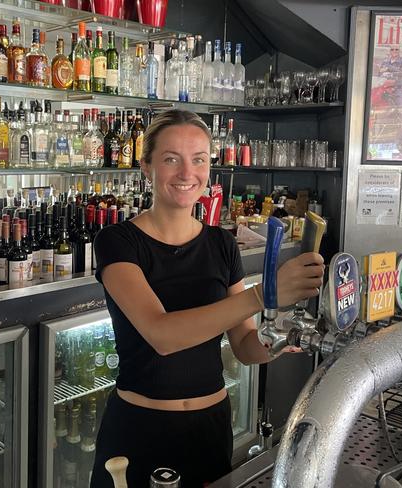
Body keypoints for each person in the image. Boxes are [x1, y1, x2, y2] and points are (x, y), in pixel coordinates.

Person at [90, 110, 325, 487]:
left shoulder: (221, 243)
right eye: (171, 159)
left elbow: (247, 348)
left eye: (198, 159)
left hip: (210, 428)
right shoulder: (117, 242)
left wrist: (280, 337)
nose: (187, 173)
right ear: (146, 167)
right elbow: (162, 334)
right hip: (138, 432)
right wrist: (265, 294)